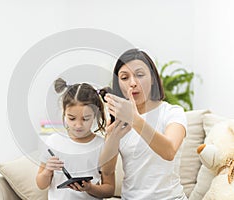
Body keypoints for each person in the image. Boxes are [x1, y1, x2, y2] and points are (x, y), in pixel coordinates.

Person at [99, 48, 187, 199]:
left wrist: (135, 119)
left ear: (152, 78)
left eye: (139, 75)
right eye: (125, 77)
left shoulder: (172, 112)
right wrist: (111, 137)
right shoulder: (118, 119)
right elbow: (106, 171)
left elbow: (169, 151)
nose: (133, 83)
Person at [36, 78, 128, 200]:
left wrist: (90, 188)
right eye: (72, 118)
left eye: (85, 119)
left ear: (95, 115)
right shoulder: (54, 142)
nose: (78, 125)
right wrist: (47, 171)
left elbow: (109, 189)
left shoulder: (102, 146)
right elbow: (41, 184)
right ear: (64, 113)